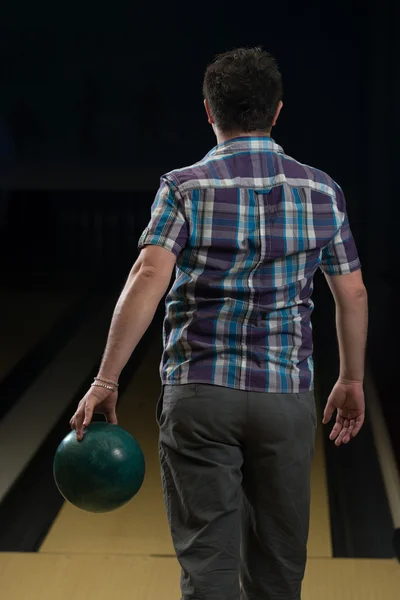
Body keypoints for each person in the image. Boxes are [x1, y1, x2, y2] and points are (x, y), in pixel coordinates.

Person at [70, 47, 368, 600]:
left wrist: (106, 380)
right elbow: (350, 290)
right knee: (279, 570)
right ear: (277, 111)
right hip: (285, 397)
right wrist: (350, 379)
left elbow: (148, 274)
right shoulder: (323, 191)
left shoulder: (185, 187)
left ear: (208, 111)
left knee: (207, 567)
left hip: (200, 394)